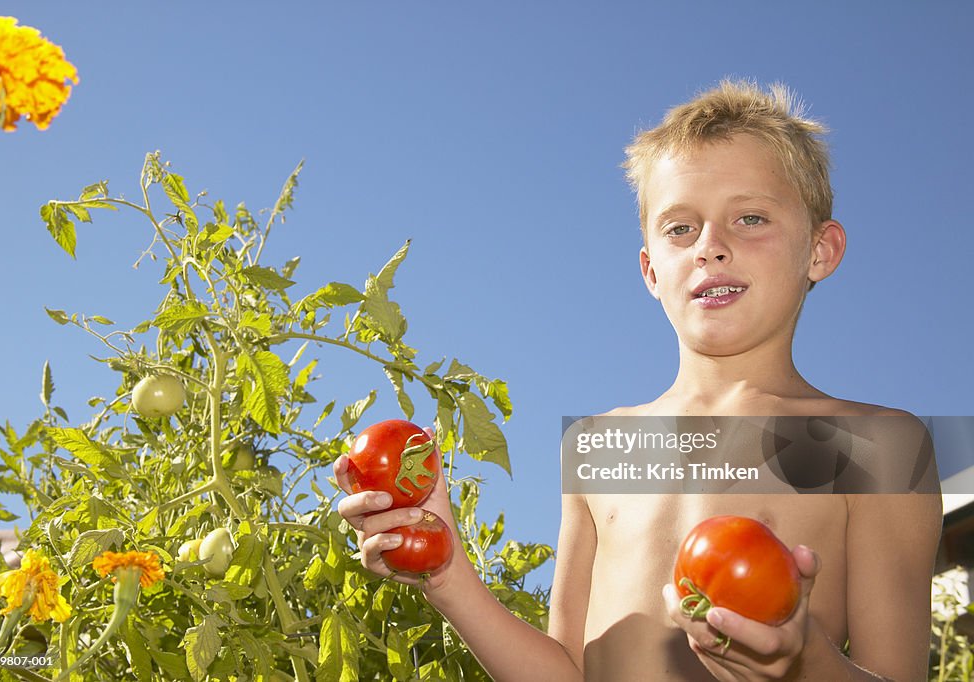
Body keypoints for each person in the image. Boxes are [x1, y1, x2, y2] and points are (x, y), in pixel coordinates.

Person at [333, 80, 943, 681]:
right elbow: (565, 672)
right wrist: (448, 576)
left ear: (821, 249)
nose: (711, 247)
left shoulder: (878, 445)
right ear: (651, 269)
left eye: (750, 217)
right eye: (681, 228)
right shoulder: (601, 445)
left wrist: (805, 659)